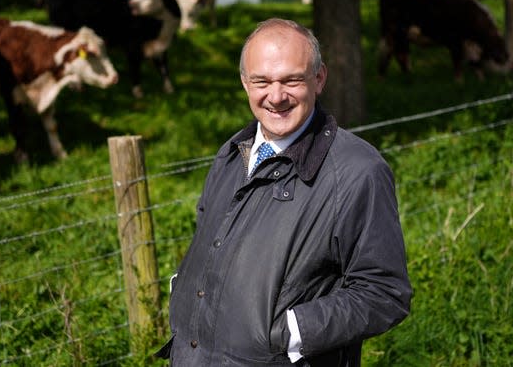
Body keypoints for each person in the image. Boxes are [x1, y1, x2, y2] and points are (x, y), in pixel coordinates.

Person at [157, 18, 412, 366]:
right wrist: (184, 292)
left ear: (318, 79)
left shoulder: (358, 172)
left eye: (291, 80)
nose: (276, 97)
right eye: (261, 81)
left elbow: (385, 293)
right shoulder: (232, 154)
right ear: (245, 83)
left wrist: (293, 331)